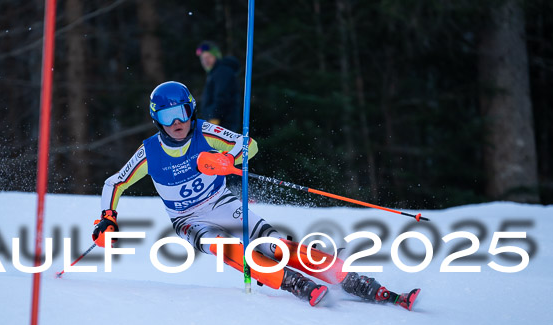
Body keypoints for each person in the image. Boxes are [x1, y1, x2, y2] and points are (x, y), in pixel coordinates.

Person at [92, 81, 421, 309]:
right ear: (157, 119)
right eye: (167, 116)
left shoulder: (206, 132)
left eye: (182, 112)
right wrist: (108, 218)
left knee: (274, 245)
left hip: (221, 204)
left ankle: (353, 281)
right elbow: (114, 183)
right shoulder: (149, 152)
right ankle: (294, 283)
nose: (177, 122)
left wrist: (228, 159)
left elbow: (248, 144)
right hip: (188, 220)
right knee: (228, 249)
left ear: (191, 110)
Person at [195, 41, 241, 133]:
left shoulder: (222, 71)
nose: (205, 61)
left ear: (216, 57)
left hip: (222, 123)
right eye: (203, 59)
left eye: (208, 57)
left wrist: (214, 117)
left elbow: (222, 96)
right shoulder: (215, 73)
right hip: (219, 122)